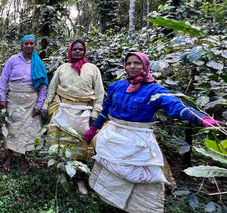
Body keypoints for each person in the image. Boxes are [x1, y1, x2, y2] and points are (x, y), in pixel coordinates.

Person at [84, 52, 222, 212]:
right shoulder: (117, 86)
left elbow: (176, 107)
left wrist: (202, 119)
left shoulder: (155, 90)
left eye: (137, 63)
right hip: (112, 135)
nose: (132, 67)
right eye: (129, 63)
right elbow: (106, 109)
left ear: (146, 66)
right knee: (112, 172)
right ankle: (112, 204)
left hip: (138, 140)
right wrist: (94, 128)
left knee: (139, 178)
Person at [45, 39, 105, 194]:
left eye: (80, 49)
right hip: (62, 109)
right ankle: (62, 173)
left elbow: (99, 93)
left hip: (83, 112)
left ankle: (79, 178)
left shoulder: (92, 69)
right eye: (75, 49)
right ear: (70, 51)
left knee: (81, 146)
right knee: (61, 144)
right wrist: (46, 105)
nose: (77, 51)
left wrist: (95, 112)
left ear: (84, 51)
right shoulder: (62, 68)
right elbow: (52, 88)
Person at [0, 35, 48, 174]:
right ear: (22, 45)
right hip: (13, 98)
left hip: (31, 100)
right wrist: (2, 98)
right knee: (11, 128)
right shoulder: (13, 60)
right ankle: (9, 157)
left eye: (32, 43)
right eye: (26, 43)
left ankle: (22, 158)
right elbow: (3, 80)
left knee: (26, 130)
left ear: (35, 45)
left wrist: (39, 105)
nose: (29, 46)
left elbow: (43, 86)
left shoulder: (38, 63)